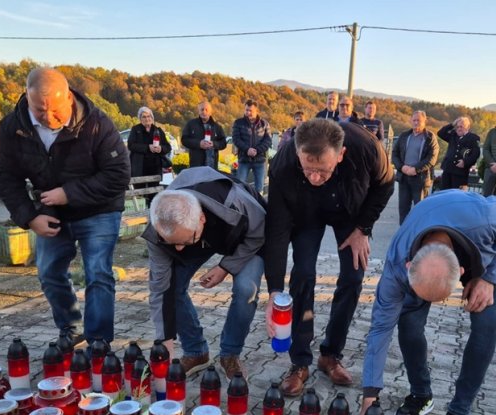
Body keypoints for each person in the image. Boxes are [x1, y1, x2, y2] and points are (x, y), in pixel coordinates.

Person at [352, 190, 496, 415]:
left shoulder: (486, 219)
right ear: (410, 266)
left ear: (462, 273)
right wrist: (368, 399)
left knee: (486, 328)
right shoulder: (398, 262)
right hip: (429, 227)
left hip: (484, 258)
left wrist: (489, 277)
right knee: (409, 324)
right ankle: (421, 395)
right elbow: (379, 330)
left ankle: (459, 412)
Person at [0, 67, 130, 345]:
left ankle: (99, 339)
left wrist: (69, 193)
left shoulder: (97, 123)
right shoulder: (13, 126)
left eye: (55, 110)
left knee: (98, 273)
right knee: (49, 272)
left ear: (68, 97)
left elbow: (118, 174)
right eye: (39, 112)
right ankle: (71, 326)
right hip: (50, 212)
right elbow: (6, 175)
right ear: (27, 98)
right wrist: (29, 217)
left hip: (99, 209)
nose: (49, 118)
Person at [265, 118, 394, 397]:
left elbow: (386, 185)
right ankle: (299, 362)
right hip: (306, 213)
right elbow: (276, 230)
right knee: (303, 274)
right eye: (308, 169)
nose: (314, 177)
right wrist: (274, 290)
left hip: (349, 210)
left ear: (341, 155)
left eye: (322, 170)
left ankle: (331, 354)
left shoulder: (366, 148)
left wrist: (364, 229)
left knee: (353, 275)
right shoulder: (283, 165)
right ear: (297, 152)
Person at [143, 167, 265, 380]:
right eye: (173, 243)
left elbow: (259, 233)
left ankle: (230, 354)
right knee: (173, 286)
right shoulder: (158, 229)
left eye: (184, 242)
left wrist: (226, 266)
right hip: (199, 237)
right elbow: (160, 290)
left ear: (201, 219)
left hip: (243, 236)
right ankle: (196, 352)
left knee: (247, 289)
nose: (178, 249)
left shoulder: (236, 203)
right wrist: (165, 347)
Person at [392, 110, 439, 223]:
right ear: (411, 121)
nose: (416, 122)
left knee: (421, 209)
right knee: (403, 209)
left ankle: (419, 234)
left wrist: (415, 169)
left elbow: (432, 158)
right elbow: (395, 154)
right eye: (414, 120)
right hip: (404, 177)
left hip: (420, 179)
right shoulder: (404, 136)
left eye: (419, 120)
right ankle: (403, 232)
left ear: (424, 121)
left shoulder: (429, 137)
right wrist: (401, 167)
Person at [232, 99, 272, 194]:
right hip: (244, 160)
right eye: (246, 110)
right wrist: (247, 149)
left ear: (256, 111)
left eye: (251, 110)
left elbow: (268, 141)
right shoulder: (238, 123)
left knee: (259, 189)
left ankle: (259, 207)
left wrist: (257, 150)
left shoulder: (264, 124)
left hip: (260, 161)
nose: (248, 112)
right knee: (239, 187)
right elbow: (236, 139)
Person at [437, 116, 481, 191]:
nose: (459, 129)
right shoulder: (453, 135)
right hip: (448, 169)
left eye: (461, 126)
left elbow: (475, 154)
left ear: (468, 127)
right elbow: (440, 133)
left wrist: (465, 162)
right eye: (457, 127)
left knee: (457, 196)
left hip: (461, 172)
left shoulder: (473, 138)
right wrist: (452, 124)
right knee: (445, 194)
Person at [127, 107, 171, 179]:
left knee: (155, 189)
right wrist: (148, 147)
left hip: (155, 169)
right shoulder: (135, 129)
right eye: (144, 117)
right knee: (139, 189)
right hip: (139, 168)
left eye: (148, 116)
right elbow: (131, 145)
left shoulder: (158, 130)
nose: (147, 119)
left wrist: (161, 148)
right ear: (140, 119)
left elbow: (168, 147)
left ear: (152, 117)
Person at [181, 101, 227, 169]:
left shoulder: (217, 127)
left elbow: (223, 143)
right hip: (196, 165)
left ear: (210, 112)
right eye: (202, 109)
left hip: (212, 166)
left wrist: (214, 144)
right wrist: (199, 144)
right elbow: (184, 140)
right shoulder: (191, 124)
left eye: (206, 110)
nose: (204, 112)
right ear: (198, 111)